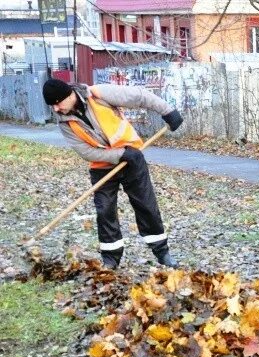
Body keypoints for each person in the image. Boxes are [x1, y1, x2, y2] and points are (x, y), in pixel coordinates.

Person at [42, 78, 183, 269]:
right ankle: (110, 260)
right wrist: (120, 154)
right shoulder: (65, 123)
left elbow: (139, 96)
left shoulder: (99, 95)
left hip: (133, 160)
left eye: (57, 103)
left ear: (69, 95)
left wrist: (168, 111)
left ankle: (162, 253)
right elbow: (86, 151)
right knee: (105, 211)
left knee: (146, 206)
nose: (56, 109)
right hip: (102, 167)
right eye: (52, 106)